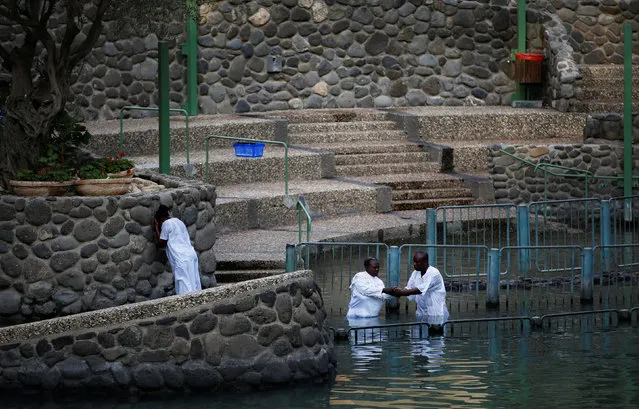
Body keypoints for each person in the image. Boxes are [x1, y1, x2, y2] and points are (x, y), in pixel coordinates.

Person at [154, 205, 202, 295]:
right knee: (194, 282)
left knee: (184, 285)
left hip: (181, 258)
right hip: (191, 254)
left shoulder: (166, 224)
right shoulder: (178, 221)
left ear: (160, 219)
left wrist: (156, 227)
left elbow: (162, 242)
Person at [400, 251, 449, 325]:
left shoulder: (434, 273)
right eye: (414, 262)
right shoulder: (415, 273)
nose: (414, 264)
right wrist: (394, 292)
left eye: (417, 262)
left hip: (436, 315)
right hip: (421, 315)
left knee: (435, 336)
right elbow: (408, 289)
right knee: (418, 335)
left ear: (425, 262)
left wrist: (400, 292)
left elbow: (420, 290)